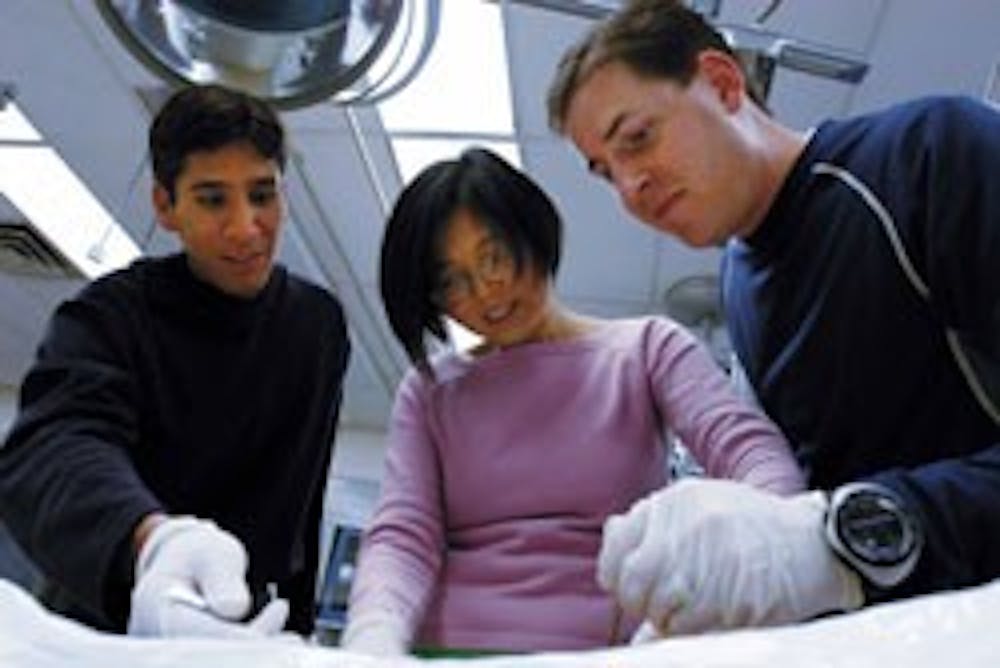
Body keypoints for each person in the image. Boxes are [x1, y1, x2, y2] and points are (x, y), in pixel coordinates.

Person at [546, 0, 1000, 639]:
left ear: (724, 84)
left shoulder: (931, 154)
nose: (630, 190)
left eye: (638, 139)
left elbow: (834, 538)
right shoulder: (741, 289)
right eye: (606, 174)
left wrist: (841, 541)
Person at [339, 147, 804, 656]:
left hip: (610, 649)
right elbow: (404, 535)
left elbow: (749, 452)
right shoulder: (430, 391)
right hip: (453, 645)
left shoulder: (646, 350)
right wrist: (373, 633)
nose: (486, 292)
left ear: (532, 231)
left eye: (494, 256)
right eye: (451, 282)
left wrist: (778, 540)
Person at [0, 84, 351, 639]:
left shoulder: (318, 326)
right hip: (114, 619)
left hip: (248, 629)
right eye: (213, 199)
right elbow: (54, 445)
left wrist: (299, 625)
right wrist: (155, 542)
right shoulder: (107, 315)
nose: (245, 227)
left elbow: (301, 499)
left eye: (263, 194)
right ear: (165, 206)